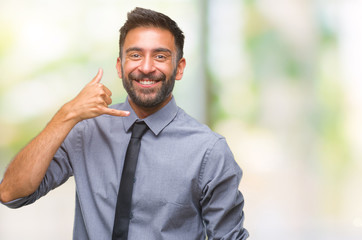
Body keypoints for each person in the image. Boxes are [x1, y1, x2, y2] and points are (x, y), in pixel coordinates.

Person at [0, 7, 249, 240]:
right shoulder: (85, 130)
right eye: (135, 55)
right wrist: (67, 113)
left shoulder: (209, 151)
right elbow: (11, 194)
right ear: (120, 66)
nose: (147, 67)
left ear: (179, 68)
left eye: (160, 56)